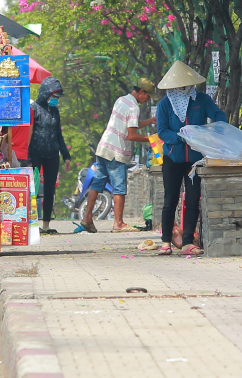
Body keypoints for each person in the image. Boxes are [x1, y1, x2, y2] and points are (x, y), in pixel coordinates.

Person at [155, 61, 227, 256]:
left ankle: (188, 242)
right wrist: (181, 136)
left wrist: (214, 130)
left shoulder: (201, 100)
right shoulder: (165, 104)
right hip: (172, 158)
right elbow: (162, 131)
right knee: (170, 200)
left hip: (195, 160)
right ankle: (166, 241)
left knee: (193, 199)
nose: (182, 88)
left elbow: (218, 115)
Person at [79, 79, 157, 234]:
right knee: (119, 188)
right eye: (147, 96)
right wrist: (152, 139)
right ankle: (118, 223)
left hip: (104, 148)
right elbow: (131, 135)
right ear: (142, 92)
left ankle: (87, 218)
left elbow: (129, 124)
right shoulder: (134, 107)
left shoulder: (121, 100)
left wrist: (149, 121)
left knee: (97, 184)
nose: (147, 100)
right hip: (116, 152)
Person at [27, 76, 72, 234]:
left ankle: (46, 225)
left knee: (49, 191)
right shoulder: (33, 109)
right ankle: (32, 225)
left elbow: (59, 134)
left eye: (57, 97)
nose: (55, 100)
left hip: (52, 154)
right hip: (35, 154)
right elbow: (29, 133)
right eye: (53, 96)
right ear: (45, 93)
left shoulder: (54, 110)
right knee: (33, 189)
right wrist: (27, 156)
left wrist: (66, 156)